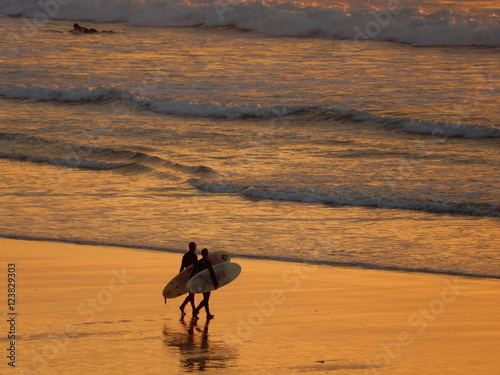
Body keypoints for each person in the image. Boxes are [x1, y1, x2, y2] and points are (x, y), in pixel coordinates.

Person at [191, 248, 219, 320]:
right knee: (206, 299)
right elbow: (211, 272)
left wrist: (192, 282)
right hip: (206, 282)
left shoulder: (198, 262)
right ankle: (197, 310)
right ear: (206, 254)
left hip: (199, 282)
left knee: (205, 299)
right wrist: (215, 282)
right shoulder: (207, 262)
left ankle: (207, 313)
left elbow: (193, 272)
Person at [178, 242, 198, 316]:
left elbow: (182, 267)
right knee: (192, 294)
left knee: (191, 294)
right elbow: (196, 267)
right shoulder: (194, 256)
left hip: (186, 276)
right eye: (195, 247)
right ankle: (194, 310)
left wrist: (180, 277)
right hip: (192, 276)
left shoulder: (185, 256)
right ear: (193, 247)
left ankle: (183, 307)